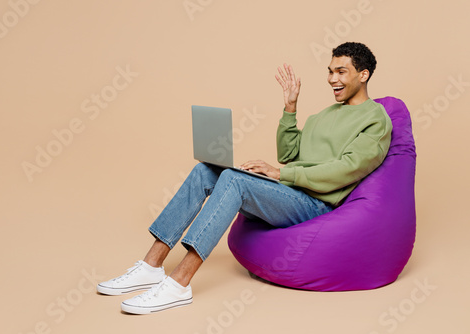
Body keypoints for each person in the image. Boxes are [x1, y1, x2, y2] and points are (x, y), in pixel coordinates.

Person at [97, 42, 393, 315]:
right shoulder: (323, 115)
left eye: (341, 72)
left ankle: (179, 283)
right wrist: (290, 108)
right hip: (290, 191)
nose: (332, 79)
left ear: (363, 75)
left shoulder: (376, 119)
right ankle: (151, 265)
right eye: (329, 71)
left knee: (235, 181)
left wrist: (281, 174)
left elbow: (347, 169)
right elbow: (288, 154)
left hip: (316, 205)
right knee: (207, 170)